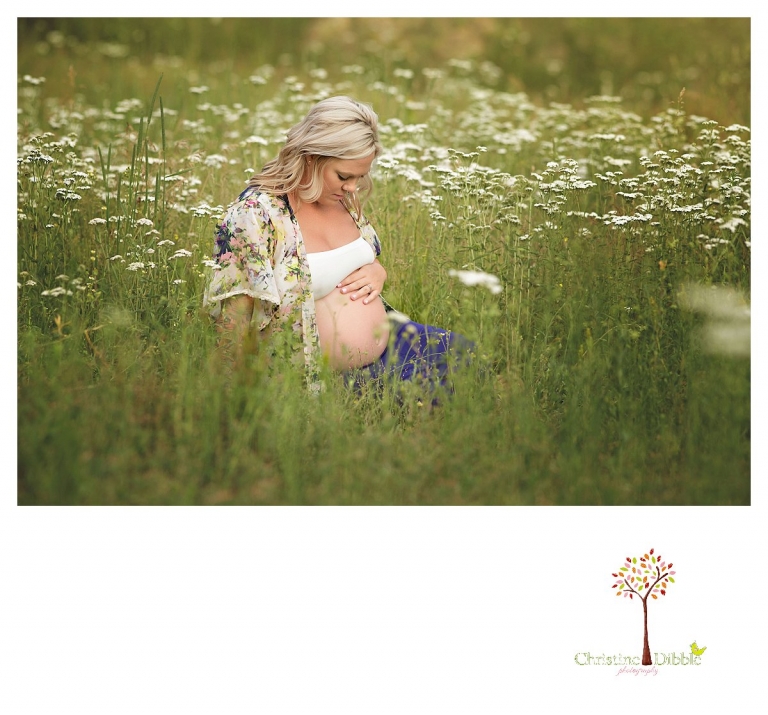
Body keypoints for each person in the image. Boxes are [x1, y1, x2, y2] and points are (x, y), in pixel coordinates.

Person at [203, 95, 474, 396]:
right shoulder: (257, 214)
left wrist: (377, 271)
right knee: (434, 396)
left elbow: (355, 258)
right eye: (344, 176)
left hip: (390, 342)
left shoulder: (339, 198)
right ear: (311, 157)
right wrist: (232, 397)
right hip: (315, 375)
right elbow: (236, 314)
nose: (353, 187)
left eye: (360, 177)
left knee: (469, 357)